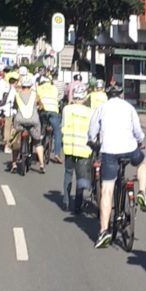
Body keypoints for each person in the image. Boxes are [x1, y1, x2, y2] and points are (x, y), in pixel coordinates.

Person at [88, 84, 146, 249]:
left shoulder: (102, 108)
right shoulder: (129, 107)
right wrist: (139, 140)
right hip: (129, 148)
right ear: (122, 95)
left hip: (109, 151)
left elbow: (92, 130)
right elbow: (138, 131)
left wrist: (93, 140)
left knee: (107, 189)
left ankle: (104, 231)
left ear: (108, 96)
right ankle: (142, 193)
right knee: (143, 163)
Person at [61, 85, 93, 213]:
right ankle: (77, 205)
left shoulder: (66, 109)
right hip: (84, 148)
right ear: (85, 98)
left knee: (68, 173)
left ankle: (66, 201)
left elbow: (63, 125)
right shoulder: (90, 112)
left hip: (69, 146)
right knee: (81, 177)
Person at [10, 75, 45, 173]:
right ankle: (42, 165)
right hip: (33, 121)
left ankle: (14, 164)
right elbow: (40, 105)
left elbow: (14, 106)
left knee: (15, 141)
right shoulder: (35, 95)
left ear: (21, 85)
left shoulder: (17, 95)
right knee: (38, 142)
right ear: (30, 85)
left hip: (19, 121)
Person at [37, 74, 63, 163]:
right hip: (53, 110)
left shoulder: (39, 88)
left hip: (43, 111)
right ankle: (57, 153)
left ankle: (39, 142)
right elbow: (58, 97)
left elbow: (37, 100)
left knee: (39, 127)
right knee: (57, 132)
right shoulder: (54, 88)